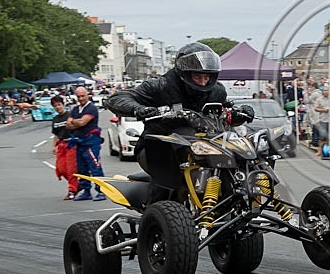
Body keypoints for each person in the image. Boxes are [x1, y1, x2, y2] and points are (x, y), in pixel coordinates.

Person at [104, 42, 230, 202]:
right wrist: (138, 109)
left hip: (204, 148)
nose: (203, 82)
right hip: (159, 147)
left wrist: (240, 113)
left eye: (207, 77)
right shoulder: (160, 86)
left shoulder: (217, 91)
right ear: (184, 73)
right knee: (168, 185)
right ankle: (156, 219)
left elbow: (225, 111)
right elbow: (116, 99)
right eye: (197, 77)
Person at [67, 87, 106, 201]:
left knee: (95, 167)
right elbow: (68, 125)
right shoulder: (75, 109)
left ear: (87, 95)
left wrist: (75, 121)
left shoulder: (92, 108)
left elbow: (83, 122)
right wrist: (77, 122)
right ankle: (86, 191)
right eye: (78, 96)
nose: (81, 98)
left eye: (83, 96)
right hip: (79, 142)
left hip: (91, 142)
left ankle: (101, 191)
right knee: (81, 169)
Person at [50, 95, 78, 200]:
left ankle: (72, 190)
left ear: (63, 104)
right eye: (55, 106)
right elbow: (56, 134)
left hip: (71, 144)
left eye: (59, 105)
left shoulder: (70, 116)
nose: (58, 107)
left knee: (71, 169)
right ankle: (76, 184)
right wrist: (53, 146)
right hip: (61, 145)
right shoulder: (55, 119)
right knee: (60, 169)